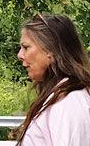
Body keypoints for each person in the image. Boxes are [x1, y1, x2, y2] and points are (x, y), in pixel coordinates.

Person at [15, 13, 90, 145]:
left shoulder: (69, 102)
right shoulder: (60, 97)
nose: (20, 55)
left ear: (51, 50)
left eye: (26, 47)